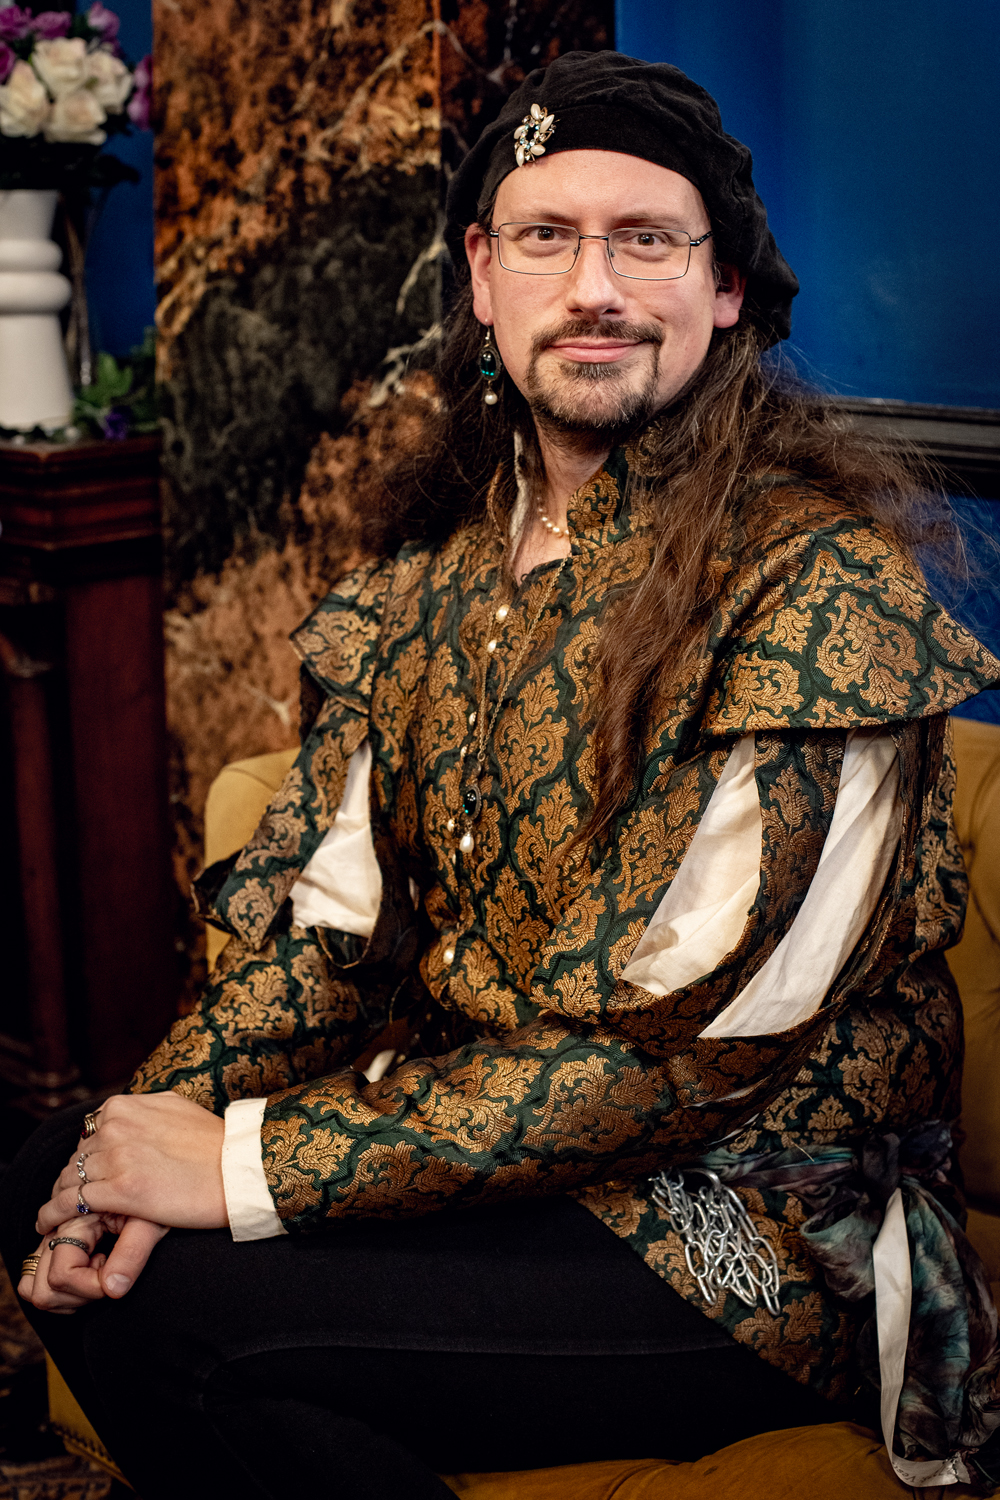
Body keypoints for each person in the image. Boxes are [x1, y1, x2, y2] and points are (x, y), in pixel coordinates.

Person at [5, 50, 1000, 1499]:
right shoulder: (433, 575)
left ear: (725, 289)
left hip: (747, 1233)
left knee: (182, 1321)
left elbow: (666, 1064)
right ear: (482, 277)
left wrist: (237, 1167)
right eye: (547, 237)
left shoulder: (816, 594)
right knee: (42, 1169)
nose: (594, 287)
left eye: (646, 240)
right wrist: (128, 1150)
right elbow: (319, 949)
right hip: (488, 1161)